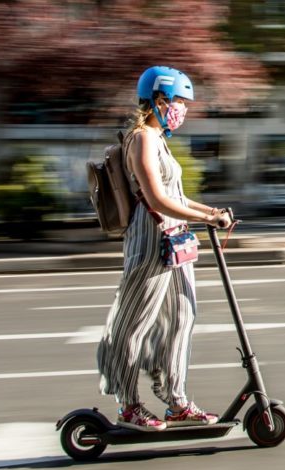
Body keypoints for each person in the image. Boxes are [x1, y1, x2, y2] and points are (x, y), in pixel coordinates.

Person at [96, 66, 233, 431]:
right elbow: (156, 199)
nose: (183, 109)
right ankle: (128, 406)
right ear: (159, 100)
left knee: (180, 318)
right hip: (151, 238)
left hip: (174, 239)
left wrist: (211, 212)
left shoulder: (159, 139)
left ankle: (176, 402)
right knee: (134, 324)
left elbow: (176, 195)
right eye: (179, 102)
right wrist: (207, 221)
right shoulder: (141, 138)